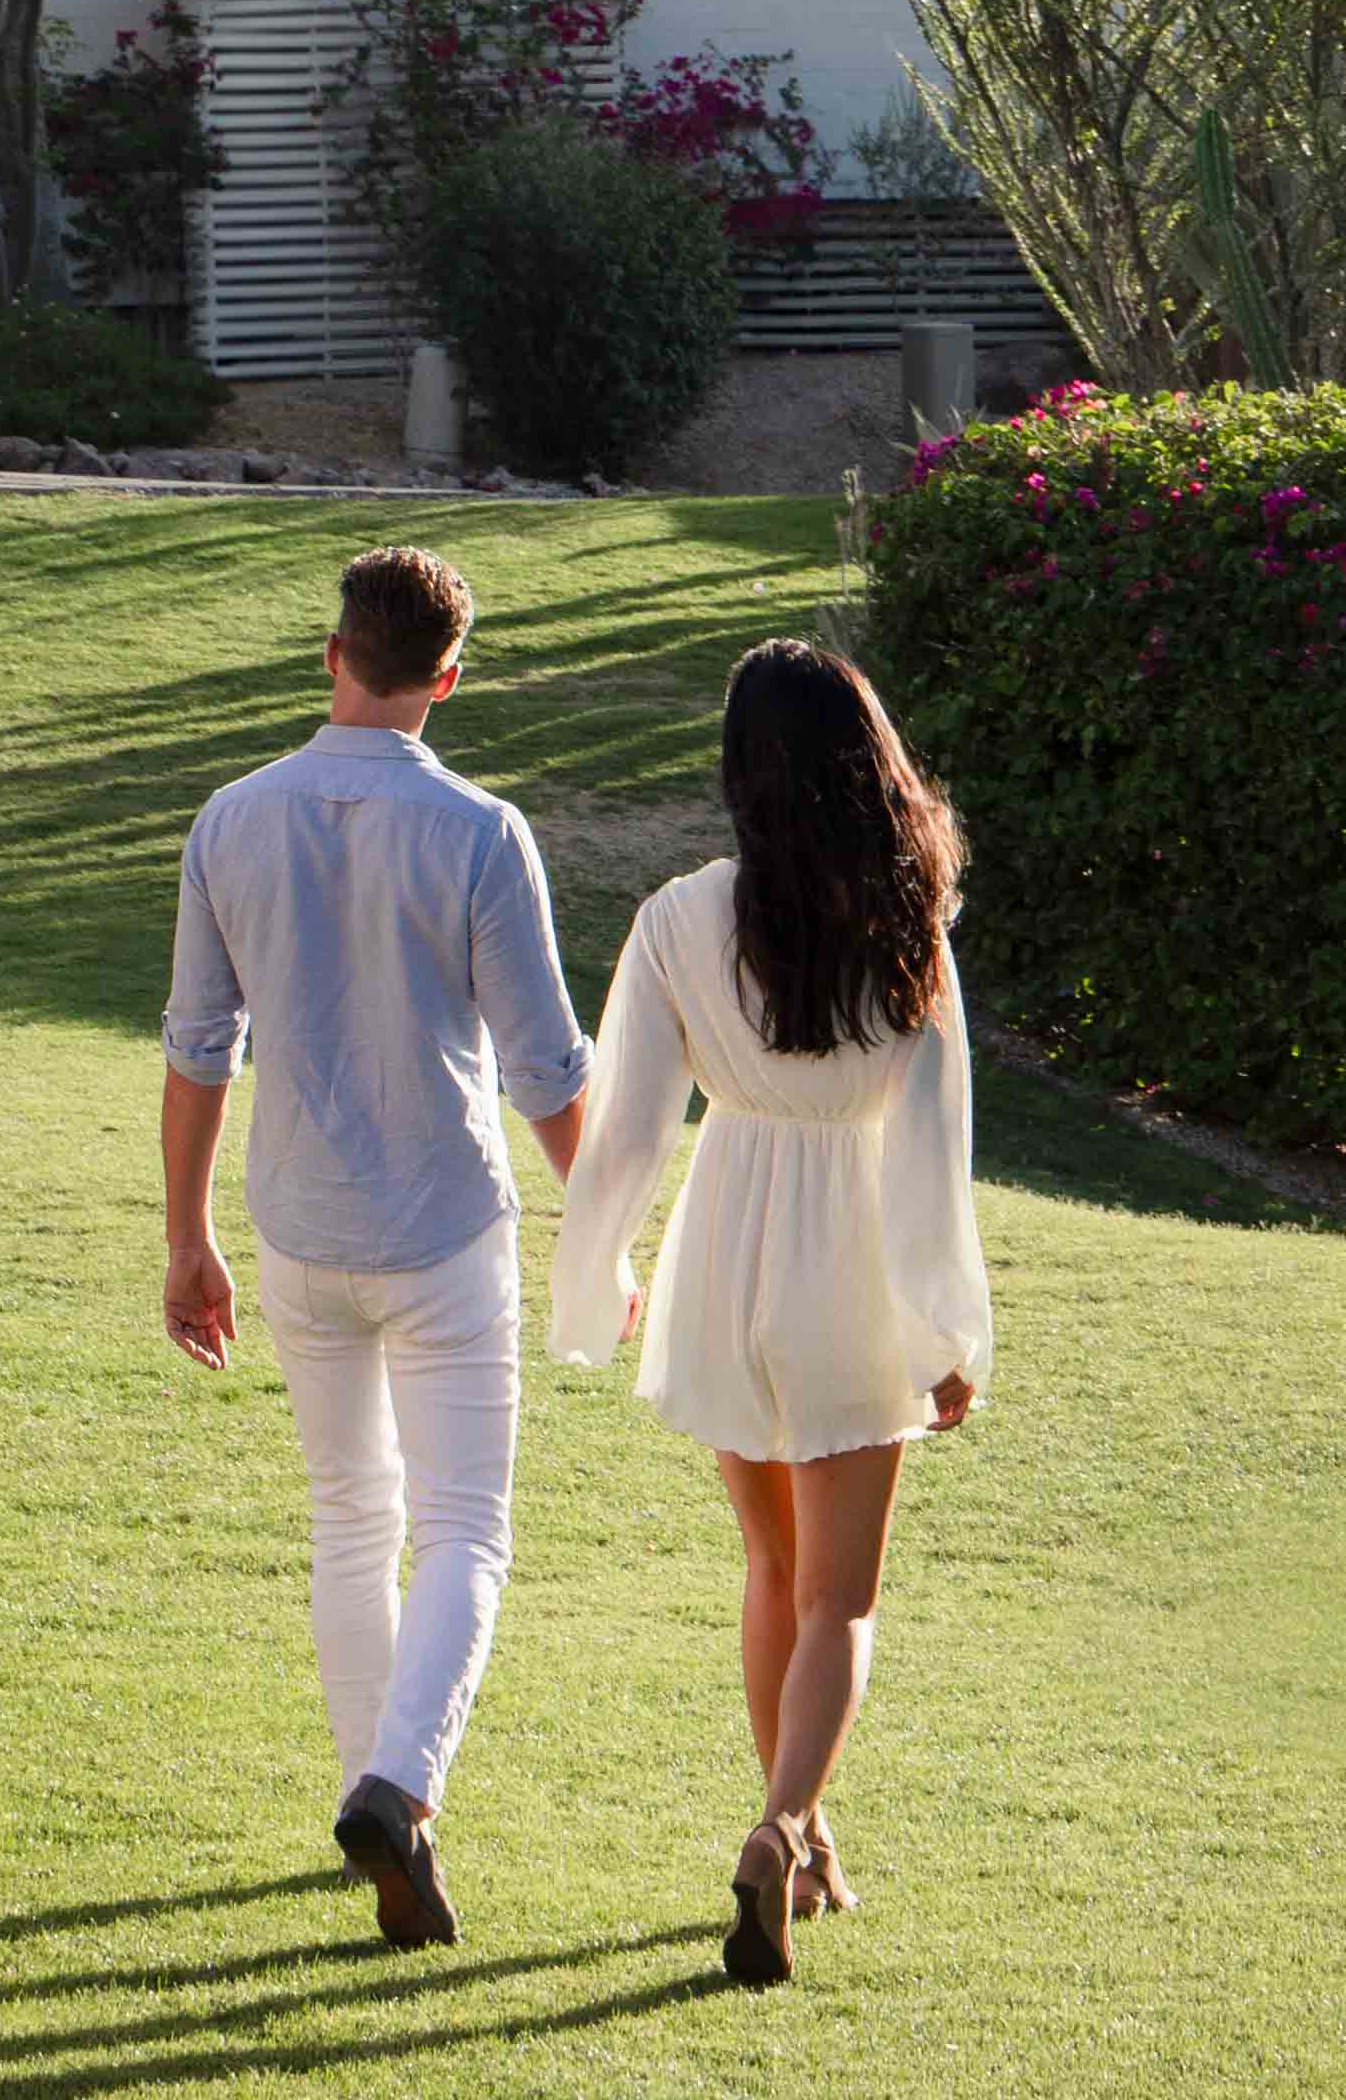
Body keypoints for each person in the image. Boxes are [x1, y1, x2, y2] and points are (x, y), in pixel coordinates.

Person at [161, 543, 589, 1954]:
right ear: (448, 679)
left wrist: (187, 1236)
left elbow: (196, 1049)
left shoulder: (231, 817)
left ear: (335, 653)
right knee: (465, 1526)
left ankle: (375, 1799)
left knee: (352, 1516)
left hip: (297, 1226)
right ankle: (400, 1788)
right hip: (445, 1226)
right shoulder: (481, 830)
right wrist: (609, 1229)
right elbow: (543, 1070)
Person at [553, 635, 991, 1992]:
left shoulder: (679, 917)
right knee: (841, 1600)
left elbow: (623, 1132)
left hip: (725, 1260)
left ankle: (802, 1847)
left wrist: (600, 1278)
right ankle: (782, 1828)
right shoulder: (907, 916)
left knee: (774, 1576)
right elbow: (931, 1150)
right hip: (849, 1265)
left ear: (740, 770)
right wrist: (947, 1330)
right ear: (868, 759)